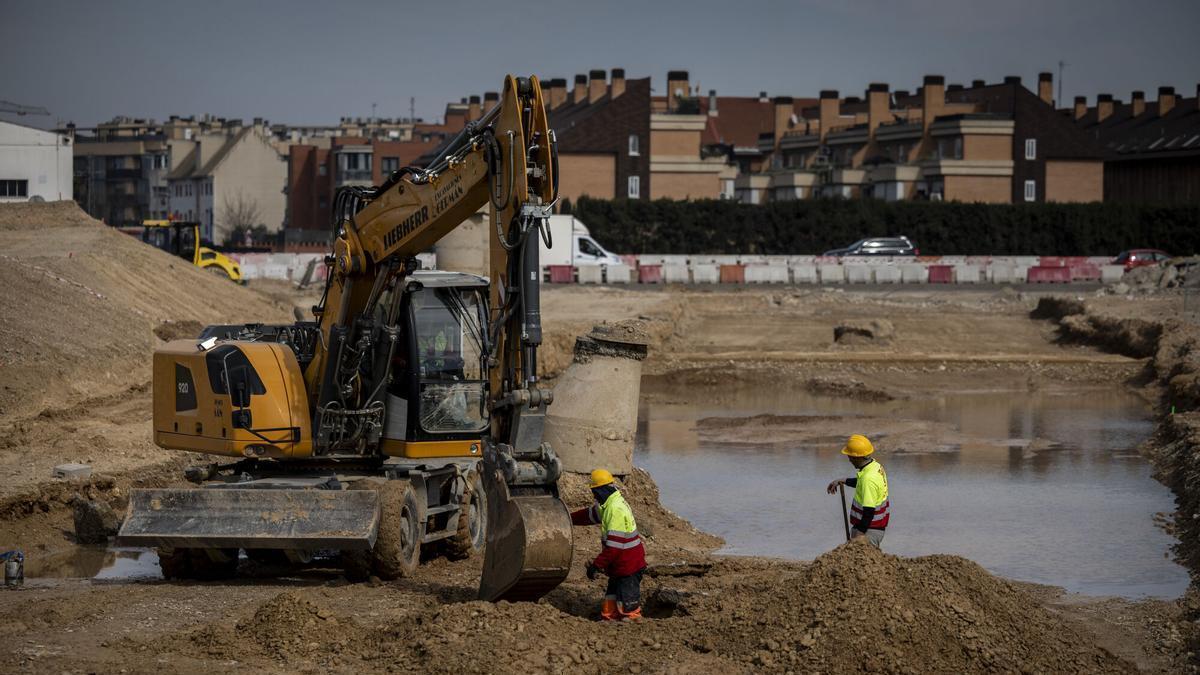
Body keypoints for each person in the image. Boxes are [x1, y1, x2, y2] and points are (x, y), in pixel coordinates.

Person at [570, 469, 647, 620]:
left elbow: (614, 548)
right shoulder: (609, 503)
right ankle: (610, 620)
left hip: (628, 568)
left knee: (629, 613)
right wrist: (568, 517)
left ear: (601, 490)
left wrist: (596, 566)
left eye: (595, 492)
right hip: (619, 567)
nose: (594, 496)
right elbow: (590, 515)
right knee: (609, 611)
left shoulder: (615, 509)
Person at [825, 434, 890, 548]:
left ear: (858, 457)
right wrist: (843, 480)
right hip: (873, 527)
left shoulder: (868, 479)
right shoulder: (875, 466)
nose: (849, 459)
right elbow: (862, 484)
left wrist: (859, 535)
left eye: (850, 456)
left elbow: (869, 512)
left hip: (868, 531)